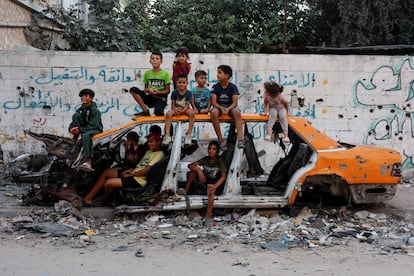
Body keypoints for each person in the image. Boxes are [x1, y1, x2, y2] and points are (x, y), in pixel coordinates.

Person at [83, 132, 164, 206]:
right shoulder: (149, 152)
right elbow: (140, 166)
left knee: (108, 183)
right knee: (106, 172)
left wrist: (131, 174)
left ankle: (106, 199)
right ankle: (88, 198)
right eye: (148, 141)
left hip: (139, 180)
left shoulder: (160, 154)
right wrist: (131, 170)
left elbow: (146, 171)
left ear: (158, 142)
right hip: (134, 173)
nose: (149, 144)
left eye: (152, 142)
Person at [184, 140, 227, 219]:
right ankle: (185, 192)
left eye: (214, 149)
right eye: (210, 148)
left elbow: (223, 176)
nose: (211, 151)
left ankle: (208, 215)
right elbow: (190, 165)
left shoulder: (220, 161)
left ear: (217, 151)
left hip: (216, 184)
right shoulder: (206, 159)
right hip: (206, 181)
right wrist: (199, 170)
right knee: (192, 172)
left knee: (210, 190)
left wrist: (215, 186)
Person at [210, 65, 245, 150]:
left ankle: (240, 139)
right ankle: (220, 139)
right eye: (218, 73)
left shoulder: (233, 87)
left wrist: (228, 109)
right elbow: (214, 102)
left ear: (226, 75)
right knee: (213, 112)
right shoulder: (215, 87)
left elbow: (235, 103)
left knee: (237, 112)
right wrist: (221, 108)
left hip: (230, 107)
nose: (217, 75)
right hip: (219, 107)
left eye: (220, 73)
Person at [69, 88, 103, 172]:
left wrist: (80, 130)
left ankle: (88, 161)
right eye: (82, 96)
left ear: (91, 98)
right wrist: (72, 129)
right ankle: (74, 141)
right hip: (85, 129)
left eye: (86, 96)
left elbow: (93, 125)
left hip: (95, 129)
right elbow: (75, 121)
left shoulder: (95, 111)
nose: (84, 98)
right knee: (76, 115)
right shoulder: (81, 110)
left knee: (85, 135)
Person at [129, 50, 171, 116]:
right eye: (153, 59)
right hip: (150, 97)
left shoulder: (165, 74)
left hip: (160, 98)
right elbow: (145, 89)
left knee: (158, 112)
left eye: (157, 59)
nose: (154, 60)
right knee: (133, 90)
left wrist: (157, 92)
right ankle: (145, 111)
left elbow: (168, 91)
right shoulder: (147, 73)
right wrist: (149, 89)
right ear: (150, 61)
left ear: (161, 61)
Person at [162, 74, 195, 146]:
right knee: (168, 114)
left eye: (184, 82)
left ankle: (189, 134)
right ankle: (167, 136)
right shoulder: (174, 92)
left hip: (185, 110)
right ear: (176, 83)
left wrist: (183, 111)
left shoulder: (189, 93)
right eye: (180, 82)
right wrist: (175, 109)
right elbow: (172, 104)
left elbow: (187, 105)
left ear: (187, 83)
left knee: (192, 113)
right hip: (176, 109)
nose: (182, 84)